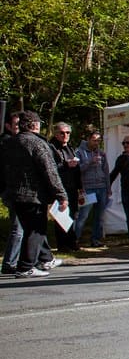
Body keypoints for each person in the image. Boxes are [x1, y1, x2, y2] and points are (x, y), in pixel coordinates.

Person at [3, 111, 67, 278]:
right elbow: (50, 171)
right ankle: (25, 266)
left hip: (13, 194)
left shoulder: (9, 143)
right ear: (35, 125)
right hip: (33, 194)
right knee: (36, 230)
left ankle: (45, 259)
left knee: (30, 228)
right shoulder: (37, 143)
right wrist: (61, 195)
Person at [49, 122, 84, 252]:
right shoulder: (51, 148)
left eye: (68, 133)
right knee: (61, 215)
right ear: (56, 134)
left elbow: (77, 170)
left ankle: (71, 242)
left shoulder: (70, 147)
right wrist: (65, 165)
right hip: (59, 187)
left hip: (72, 187)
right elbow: (49, 168)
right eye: (62, 133)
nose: (65, 135)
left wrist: (80, 187)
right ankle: (62, 244)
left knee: (72, 215)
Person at [75, 130, 111, 248]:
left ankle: (96, 239)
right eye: (94, 140)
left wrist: (108, 187)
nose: (96, 143)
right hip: (88, 188)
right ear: (88, 139)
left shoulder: (101, 153)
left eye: (98, 141)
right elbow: (77, 170)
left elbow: (106, 171)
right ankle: (75, 239)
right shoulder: (79, 152)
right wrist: (90, 162)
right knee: (83, 215)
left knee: (99, 216)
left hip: (101, 187)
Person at [1, 112, 24, 274]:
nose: (20, 127)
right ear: (8, 126)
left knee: (24, 227)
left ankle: (27, 259)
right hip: (12, 191)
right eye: (16, 125)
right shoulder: (7, 143)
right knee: (18, 227)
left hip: (15, 190)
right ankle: (9, 262)